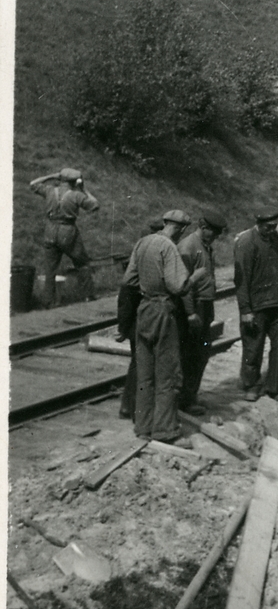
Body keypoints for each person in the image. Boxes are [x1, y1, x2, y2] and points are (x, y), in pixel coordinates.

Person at [122, 217, 207, 444]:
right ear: (180, 228)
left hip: (144, 310)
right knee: (168, 374)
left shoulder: (143, 242)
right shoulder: (169, 247)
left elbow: (128, 279)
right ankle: (165, 431)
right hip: (162, 312)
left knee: (145, 374)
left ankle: (143, 427)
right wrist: (195, 277)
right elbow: (178, 286)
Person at [233, 203, 278, 405]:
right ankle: (251, 385)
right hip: (257, 306)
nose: (272, 230)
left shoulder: (273, 237)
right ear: (259, 224)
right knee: (253, 348)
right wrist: (245, 310)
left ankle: (274, 387)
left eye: (274, 226)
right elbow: (241, 280)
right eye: (268, 227)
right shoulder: (246, 243)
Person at [177, 208, 227, 415]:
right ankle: (185, 400)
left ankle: (191, 395)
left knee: (202, 352)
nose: (215, 237)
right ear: (203, 227)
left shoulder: (205, 245)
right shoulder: (188, 247)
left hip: (205, 306)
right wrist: (190, 312)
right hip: (194, 307)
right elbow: (183, 284)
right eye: (213, 232)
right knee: (191, 354)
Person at [30, 167, 100, 307]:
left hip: (50, 230)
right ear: (75, 182)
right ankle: (88, 295)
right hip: (67, 231)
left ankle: (48, 302)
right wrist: (84, 189)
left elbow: (33, 184)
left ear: (60, 179)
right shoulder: (76, 195)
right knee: (82, 263)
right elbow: (95, 205)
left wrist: (52, 175)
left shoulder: (50, 190)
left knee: (50, 269)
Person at [117, 217, 164, 420]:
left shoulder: (142, 250)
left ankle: (130, 406)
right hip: (143, 319)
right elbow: (127, 293)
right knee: (142, 365)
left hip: (138, 319)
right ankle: (133, 407)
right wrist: (124, 327)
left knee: (138, 364)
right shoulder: (150, 255)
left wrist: (123, 326)